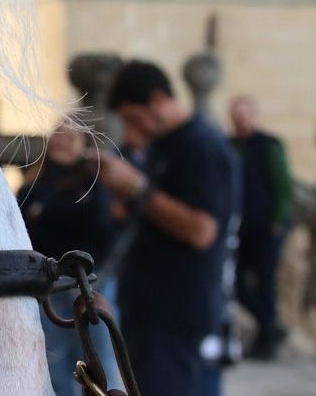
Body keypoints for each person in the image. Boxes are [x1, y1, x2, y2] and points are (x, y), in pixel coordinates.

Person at [94, 60, 240, 396]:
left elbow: (202, 230)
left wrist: (137, 188)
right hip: (148, 308)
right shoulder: (166, 144)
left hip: (176, 314)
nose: (135, 131)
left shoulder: (202, 147)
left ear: (158, 100)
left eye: (135, 119)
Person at [18, 120, 122, 395]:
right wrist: (60, 213)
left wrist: (46, 212)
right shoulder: (34, 181)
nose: (62, 140)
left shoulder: (93, 182)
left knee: (101, 360)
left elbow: (99, 222)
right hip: (48, 284)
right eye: (59, 134)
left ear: (85, 146)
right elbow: (24, 220)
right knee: (55, 361)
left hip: (89, 283)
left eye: (71, 137)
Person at [228, 95, 295, 359]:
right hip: (242, 227)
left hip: (267, 227)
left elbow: (283, 186)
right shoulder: (230, 144)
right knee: (235, 281)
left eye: (245, 114)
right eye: (237, 114)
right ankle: (269, 325)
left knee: (265, 281)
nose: (241, 119)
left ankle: (267, 334)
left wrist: (278, 221)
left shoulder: (269, 144)